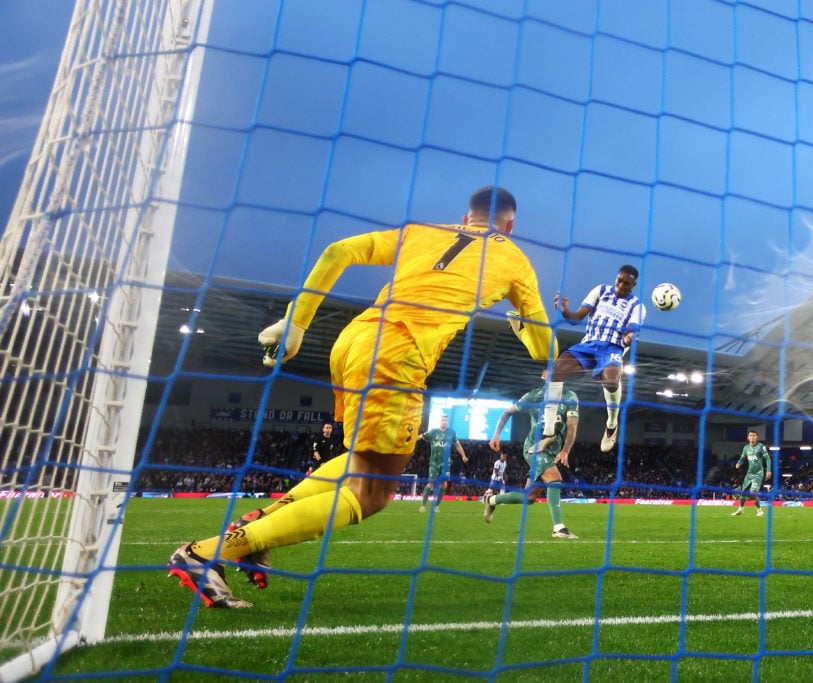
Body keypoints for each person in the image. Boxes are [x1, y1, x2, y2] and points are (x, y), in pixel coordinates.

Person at [168, 186, 557, 608]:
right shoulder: (515, 261)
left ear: (466, 218)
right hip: (397, 354)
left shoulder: (422, 231)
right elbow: (544, 352)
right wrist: (525, 323)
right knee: (370, 494)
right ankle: (206, 553)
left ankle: (255, 525)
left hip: (355, 339)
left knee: (360, 462)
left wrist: (296, 324)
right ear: (511, 226)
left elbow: (338, 251)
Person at [543, 265, 645, 452]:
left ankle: (612, 423)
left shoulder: (637, 305)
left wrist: (629, 338)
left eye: (626, 283)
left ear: (633, 285)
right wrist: (564, 310)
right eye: (620, 280)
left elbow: (631, 332)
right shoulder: (600, 291)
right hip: (588, 344)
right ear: (616, 278)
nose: (621, 285)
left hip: (612, 348)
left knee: (611, 382)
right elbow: (575, 318)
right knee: (556, 370)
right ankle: (548, 431)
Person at [484, 374, 579, 539]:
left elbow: (572, 425)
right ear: (544, 377)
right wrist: (496, 434)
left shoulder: (570, 397)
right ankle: (559, 528)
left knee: (529, 497)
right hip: (534, 448)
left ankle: (492, 500)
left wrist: (565, 450)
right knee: (555, 479)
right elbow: (508, 412)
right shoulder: (534, 396)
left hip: (552, 450)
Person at [417, 414, 468, 512]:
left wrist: (463, 455)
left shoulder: (451, 433)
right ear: (440, 421)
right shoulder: (433, 432)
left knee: (444, 485)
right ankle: (422, 505)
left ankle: (436, 506)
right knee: (430, 483)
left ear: (447, 422)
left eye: (446, 420)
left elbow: (457, 445)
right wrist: (410, 441)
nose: (444, 422)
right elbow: (421, 436)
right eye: (442, 420)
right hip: (434, 463)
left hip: (445, 464)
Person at [731, 430, 771, 517]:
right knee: (743, 492)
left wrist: (768, 470)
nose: (752, 437)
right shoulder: (745, 448)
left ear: (756, 437)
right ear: (748, 437)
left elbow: (767, 459)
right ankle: (740, 510)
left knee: (753, 492)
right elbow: (742, 458)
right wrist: (738, 463)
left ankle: (760, 511)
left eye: (754, 435)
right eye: (750, 435)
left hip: (758, 473)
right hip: (749, 473)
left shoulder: (761, 447)